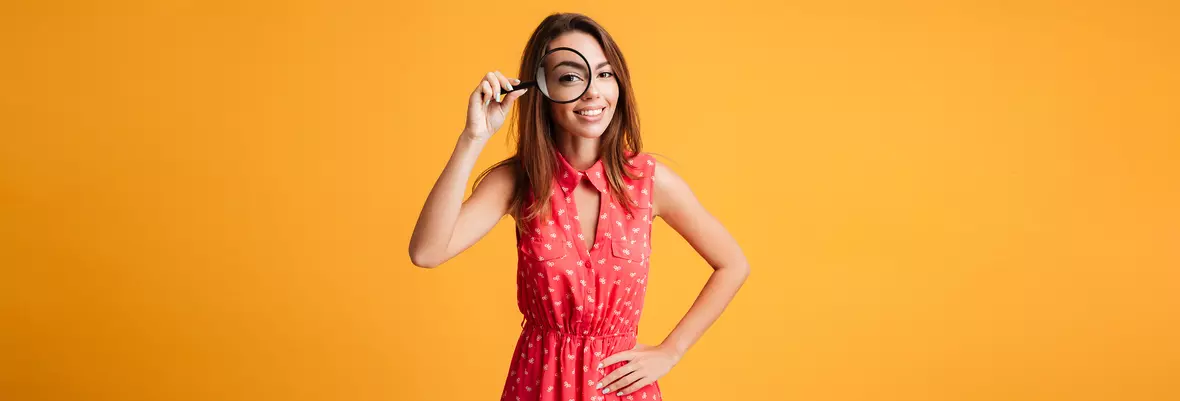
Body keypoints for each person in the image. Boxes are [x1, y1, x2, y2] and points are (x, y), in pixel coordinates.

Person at [408, 12, 749, 401]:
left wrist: (671, 351)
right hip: (539, 385)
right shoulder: (518, 182)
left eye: (605, 74)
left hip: (621, 389)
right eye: (571, 77)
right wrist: (473, 138)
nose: (592, 92)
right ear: (541, 88)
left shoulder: (650, 182)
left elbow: (733, 264)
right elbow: (427, 252)